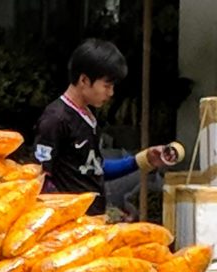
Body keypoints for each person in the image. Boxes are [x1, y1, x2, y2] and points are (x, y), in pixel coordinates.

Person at [34, 39, 169, 217]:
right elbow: (39, 177)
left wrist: (143, 159)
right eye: (107, 85)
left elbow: (95, 169)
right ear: (84, 80)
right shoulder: (56, 119)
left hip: (94, 221)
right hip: (69, 227)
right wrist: (62, 215)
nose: (111, 93)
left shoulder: (89, 117)